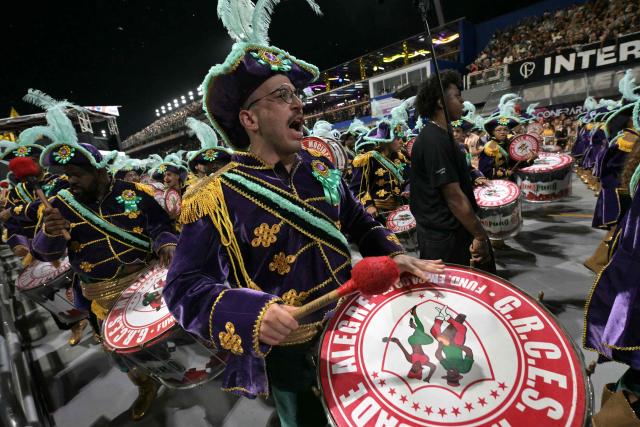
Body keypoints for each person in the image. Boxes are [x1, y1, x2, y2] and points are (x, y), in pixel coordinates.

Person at [162, 3, 445, 426]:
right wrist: (249, 314)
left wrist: (392, 254)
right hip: (289, 354)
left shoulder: (321, 168)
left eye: (297, 95)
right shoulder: (214, 195)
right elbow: (182, 288)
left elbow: (361, 224)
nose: (299, 105)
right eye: (282, 96)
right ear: (249, 118)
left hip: (358, 322)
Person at [22, 90, 178, 421]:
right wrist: (50, 232)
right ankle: (144, 383)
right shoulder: (60, 204)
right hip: (100, 293)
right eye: (65, 176)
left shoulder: (131, 193)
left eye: (77, 175)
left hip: (147, 281)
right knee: (122, 351)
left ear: (99, 171)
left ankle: (184, 369)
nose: (69, 181)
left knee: (170, 335)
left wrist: (166, 243)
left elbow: (159, 224)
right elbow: (44, 253)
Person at [410, 70, 495, 272]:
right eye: (457, 96)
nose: (463, 101)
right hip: (445, 241)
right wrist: (480, 235)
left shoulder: (443, 135)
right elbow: (454, 198)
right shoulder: (434, 140)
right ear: (441, 102)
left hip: (452, 232)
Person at [185, 117, 233, 181]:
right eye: (208, 163)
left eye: (218, 162)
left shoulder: (239, 181)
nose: (214, 166)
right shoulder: (200, 189)